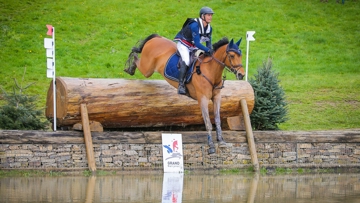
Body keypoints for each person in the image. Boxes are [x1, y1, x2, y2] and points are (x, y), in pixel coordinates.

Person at [174, 6, 215, 95]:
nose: (210, 17)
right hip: (184, 44)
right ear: (202, 16)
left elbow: (208, 43)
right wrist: (207, 50)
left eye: (211, 15)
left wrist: (210, 51)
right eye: (208, 15)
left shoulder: (209, 28)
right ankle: (181, 85)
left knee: (201, 60)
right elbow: (197, 43)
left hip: (193, 46)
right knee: (187, 61)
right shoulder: (195, 25)